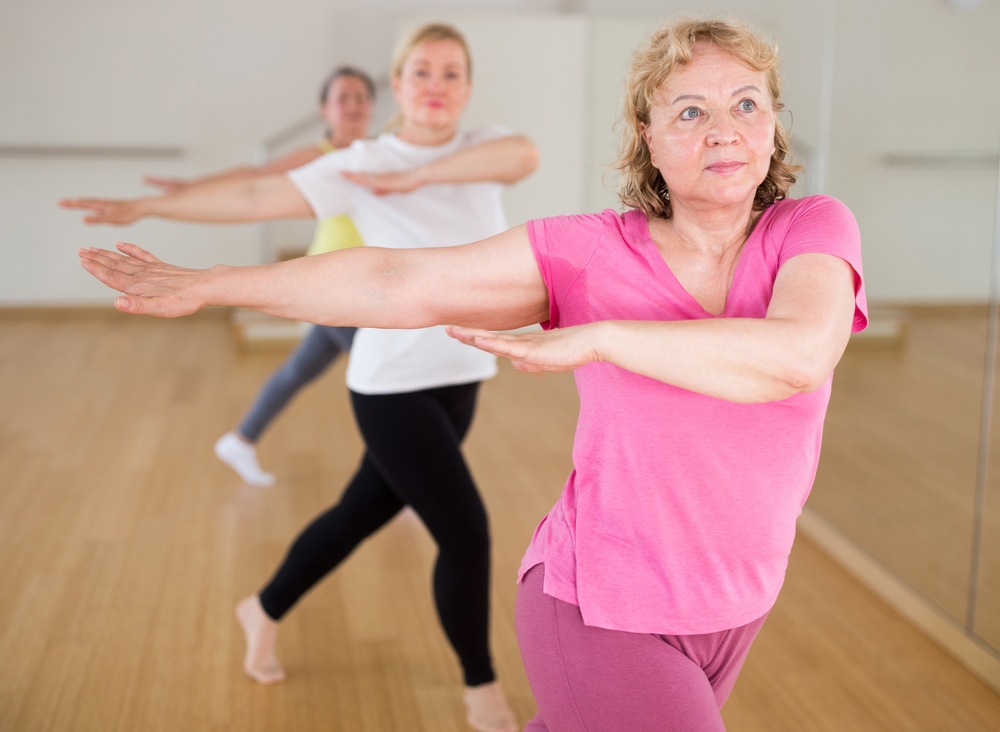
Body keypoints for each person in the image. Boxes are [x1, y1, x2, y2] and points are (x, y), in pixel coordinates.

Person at [74, 16, 867, 732]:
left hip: (736, 604)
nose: (724, 131)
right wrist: (213, 283)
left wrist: (603, 338)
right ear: (648, 135)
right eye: (690, 110)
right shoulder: (590, 251)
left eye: (746, 105)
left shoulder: (814, 228)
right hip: (601, 603)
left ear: (773, 125)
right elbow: (394, 281)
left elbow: (796, 356)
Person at [64, 22, 539, 732]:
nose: (435, 87)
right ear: (398, 84)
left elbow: (523, 155)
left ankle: (262, 608)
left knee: (356, 517)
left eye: (450, 74)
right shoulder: (361, 159)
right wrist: (151, 206)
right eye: (421, 72)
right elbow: (257, 199)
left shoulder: (483, 148)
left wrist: (417, 176)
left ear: (466, 88)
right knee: (466, 534)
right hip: (392, 385)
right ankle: (481, 688)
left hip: (463, 372)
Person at [150, 66, 376, 486]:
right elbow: (254, 177)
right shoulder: (318, 155)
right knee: (385, 377)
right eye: (343, 97)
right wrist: (192, 187)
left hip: (365, 283)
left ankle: (241, 439)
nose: (353, 105)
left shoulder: (382, 155)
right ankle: (397, 476)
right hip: (330, 283)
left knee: (300, 371)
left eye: (361, 97)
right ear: (325, 108)